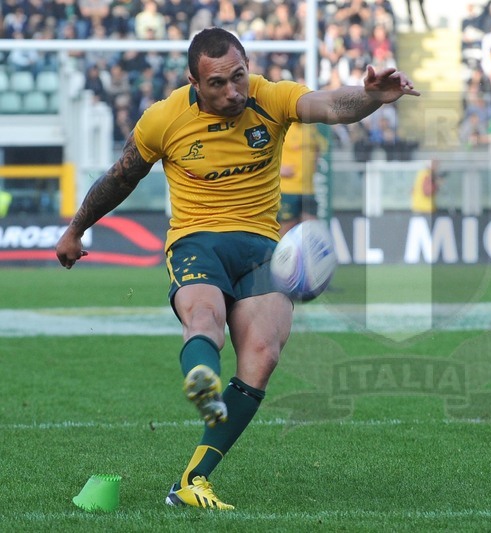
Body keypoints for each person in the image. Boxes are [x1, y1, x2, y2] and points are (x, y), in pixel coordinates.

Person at [55, 27, 419, 510]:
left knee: (263, 353)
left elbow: (331, 106)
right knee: (205, 320)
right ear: (193, 82)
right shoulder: (163, 119)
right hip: (195, 240)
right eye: (217, 84)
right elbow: (120, 177)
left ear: (248, 67)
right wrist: (75, 229)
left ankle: (192, 479)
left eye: (238, 77)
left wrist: (372, 97)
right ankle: (204, 382)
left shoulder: (269, 97)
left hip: (263, 248)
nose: (232, 92)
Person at [278, 121, 328, 236]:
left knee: (312, 230)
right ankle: (284, 254)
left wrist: (314, 162)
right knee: (287, 230)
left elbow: (319, 146)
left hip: (308, 189)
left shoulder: (311, 126)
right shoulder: (283, 125)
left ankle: (307, 254)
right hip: (288, 189)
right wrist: (279, 169)